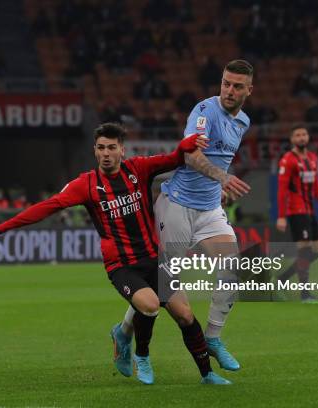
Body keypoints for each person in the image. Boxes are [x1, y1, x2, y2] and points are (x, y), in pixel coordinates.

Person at [0, 123, 231, 385]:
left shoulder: (138, 169)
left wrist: (182, 149)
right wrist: (1, 227)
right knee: (150, 305)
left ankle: (207, 374)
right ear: (94, 151)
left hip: (154, 259)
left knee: (185, 315)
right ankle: (141, 356)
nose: (106, 153)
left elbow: (173, 160)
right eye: (100, 148)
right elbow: (46, 207)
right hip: (123, 266)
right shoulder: (85, 185)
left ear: (122, 149)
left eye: (111, 147)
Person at [114, 59, 253, 373]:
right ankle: (123, 333)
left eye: (237, 86)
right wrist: (221, 178)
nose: (230, 91)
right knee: (162, 286)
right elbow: (190, 155)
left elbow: (221, 158)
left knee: (232, 268)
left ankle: (214, 337)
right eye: (226, 83)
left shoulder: (243, 121)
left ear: (249, 90)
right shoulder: (204, 112)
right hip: (176, 206)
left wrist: (218, 186)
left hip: (209, 210)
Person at [276, 125, 318, 302]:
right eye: (297, 135)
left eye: (304, 134)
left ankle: (282, 279)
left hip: (310, 211)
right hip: (296, 211)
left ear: (308, 137)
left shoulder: (312, 158)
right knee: (304, 250)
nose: (301, 138)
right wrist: (281, 215)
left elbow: (316, 185)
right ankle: (305, 295)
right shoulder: (288, 160)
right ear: (292, 139)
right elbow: (282, 190)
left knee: (317, 251)